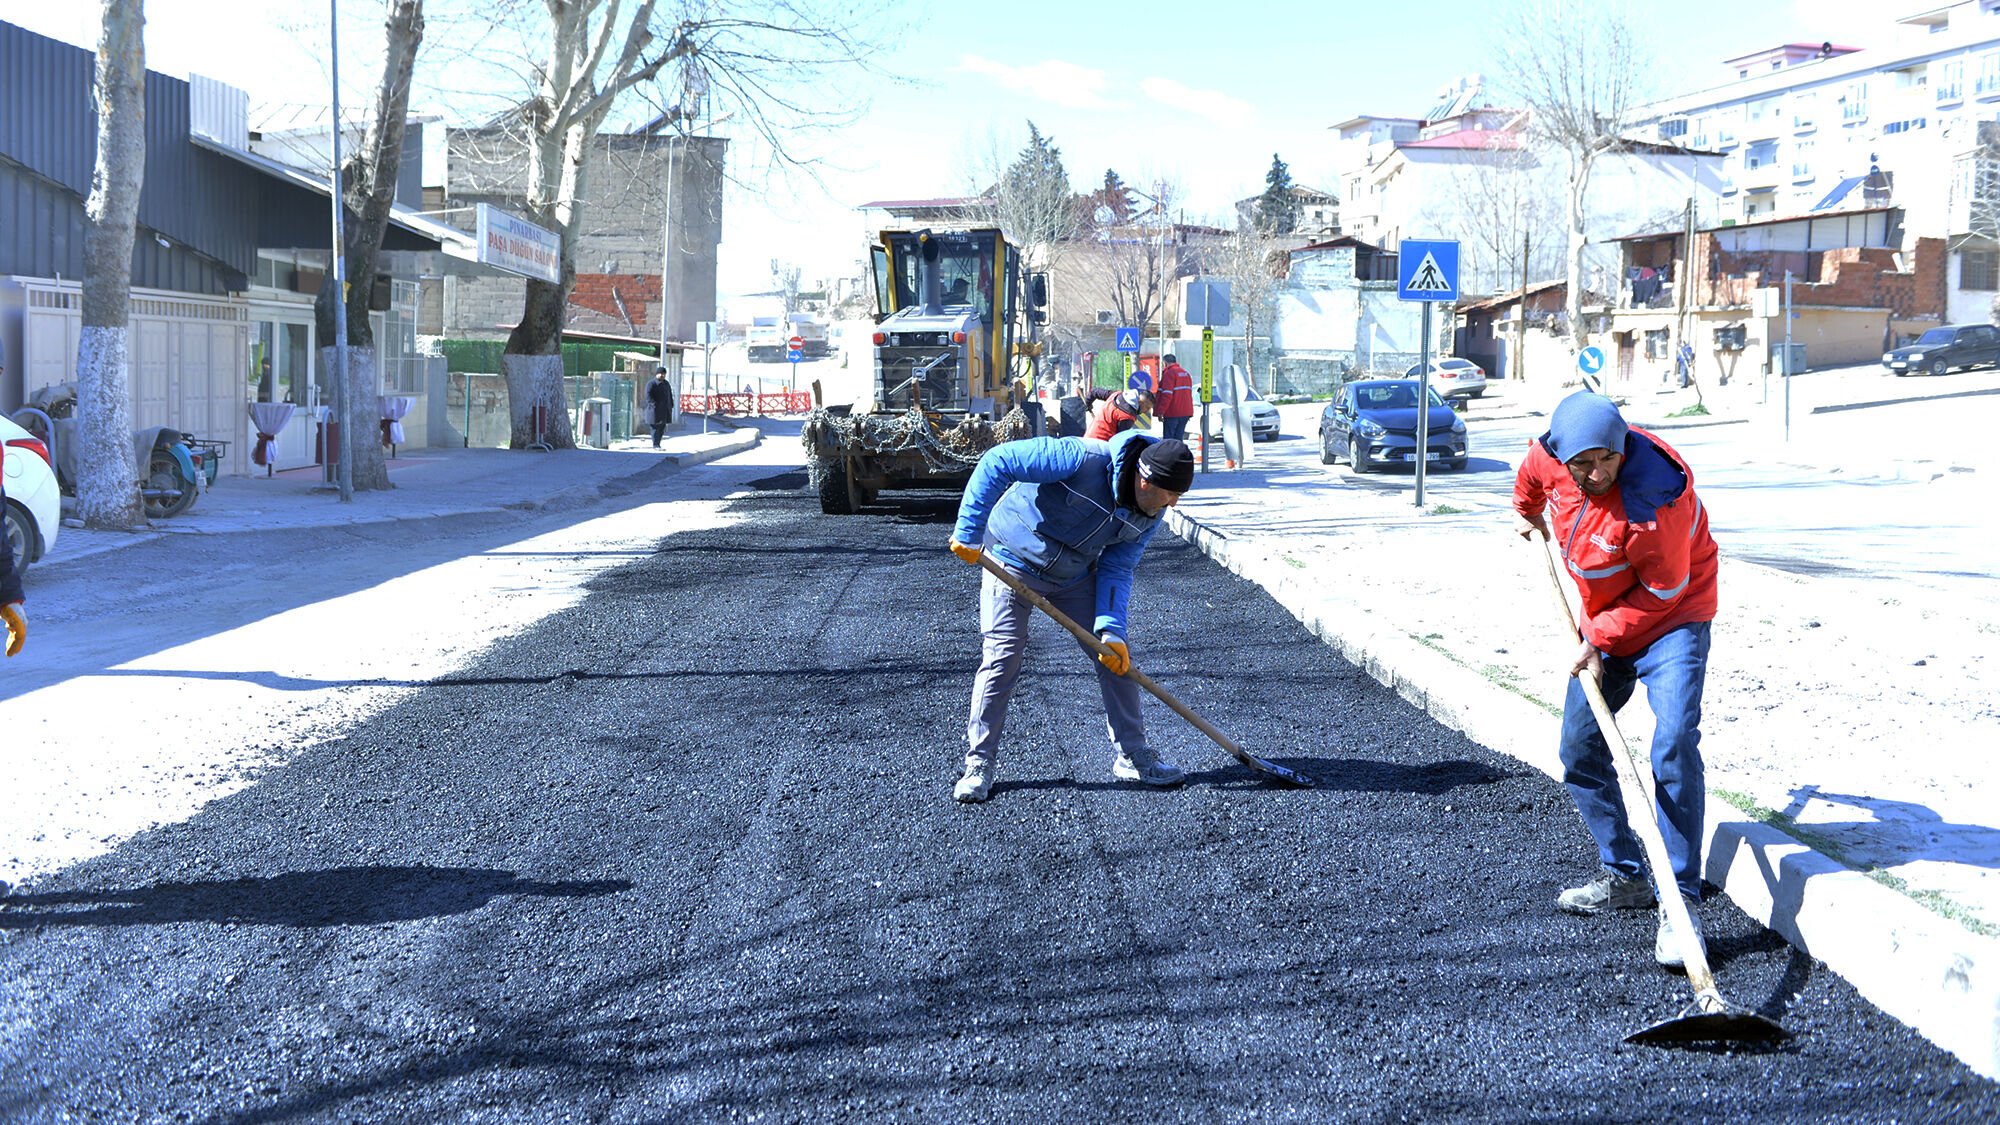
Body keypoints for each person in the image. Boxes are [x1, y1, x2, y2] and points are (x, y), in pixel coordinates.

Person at [1513, 391, 1719, 970]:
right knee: (1579, 749)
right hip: (1604, 623)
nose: (1599, 472)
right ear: (1563, 456)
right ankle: (1626, 875)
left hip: (1673, 619)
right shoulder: (1550, 457)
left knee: (1673, 743)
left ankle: (1680, 902)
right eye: (1584, 464)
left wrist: (1598, 639)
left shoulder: (1655, 499)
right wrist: (1525, 510)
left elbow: (1664, 590)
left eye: (1608, 458)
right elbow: (1531, 477)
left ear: (1622, 444)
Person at [946, 433, 1197, 803]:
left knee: (1116, 659)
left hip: (1073, 575)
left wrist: (1111, 630)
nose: (1173, 504)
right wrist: (968, 530)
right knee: (1002, 657)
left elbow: (1118, 568)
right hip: (1009, 560)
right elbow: (998, 461)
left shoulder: (1150, 514)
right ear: (1145, 481)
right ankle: (979, 764)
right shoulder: (1079, 459)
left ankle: (1132, 754)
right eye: (1171, 494)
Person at [1085, 388, 1153, 441]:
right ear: (1140, 402)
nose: (1147, 411)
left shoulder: (1116, 395)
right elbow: (1119, 440)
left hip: (1088, 438)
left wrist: (1087, 403)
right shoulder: (1127, 417)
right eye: (1147, 407)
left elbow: (1094, 392)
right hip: (1101, 445)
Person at [1156, 354, 1195, 441]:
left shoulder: (1169, 374)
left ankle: (1170, 451)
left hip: (1172, 412)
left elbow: (1167, 395)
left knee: (1169, 440)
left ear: (1165, 363)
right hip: (1185, 413)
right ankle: (1179, 450)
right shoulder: (1186, 374)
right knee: (1178, 439)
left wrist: (1161, 411)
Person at [645, 370, 674, 448]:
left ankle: (658, 443)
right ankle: (655, 444)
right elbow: (648, 396)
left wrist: (671, 405)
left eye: (663, 374)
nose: (662, 375)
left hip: (664, 410)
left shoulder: (666, 384)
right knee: (655, 428)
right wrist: (654, 404)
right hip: (654, 410)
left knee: (662, 428)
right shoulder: (651, 383)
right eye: (660, 373)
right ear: (656, 374)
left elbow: (669, 395)